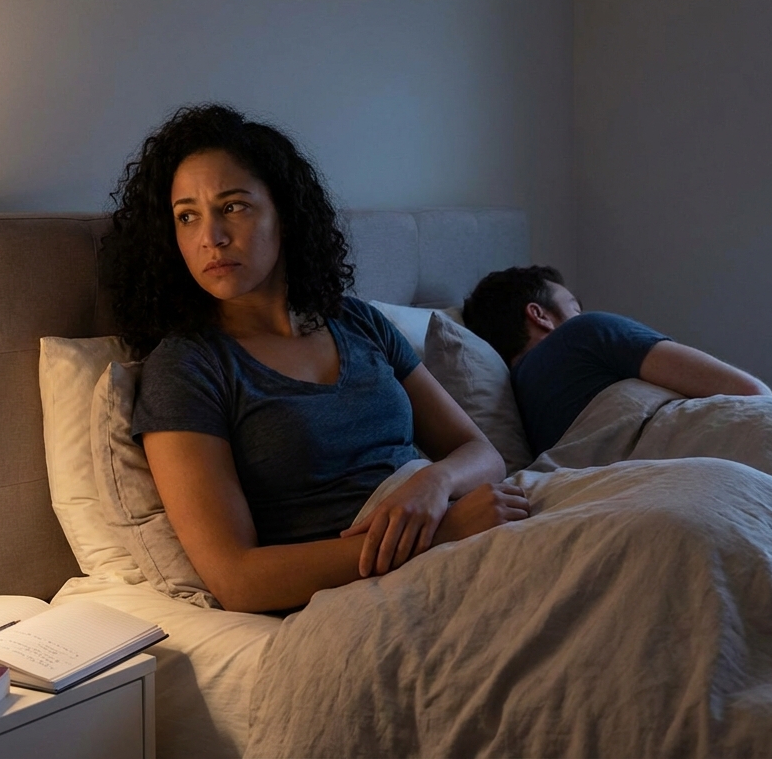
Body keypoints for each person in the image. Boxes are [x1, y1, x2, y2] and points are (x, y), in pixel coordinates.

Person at [103, 104, 530, 614]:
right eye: (187, 216)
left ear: (284, 213)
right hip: (382, 587)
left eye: (233, 206)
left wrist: (434, 483)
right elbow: (238, 580)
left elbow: (481, 453)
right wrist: (439, 535)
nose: (210, 237)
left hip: (465, 522)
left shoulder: (356, 321)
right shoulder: (187, 368)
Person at [461, 266, 771, 456]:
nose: (579, 315)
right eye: (574, 308)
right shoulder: (582, 332)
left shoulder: (515, 402)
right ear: (539, 314)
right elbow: (751, 394)